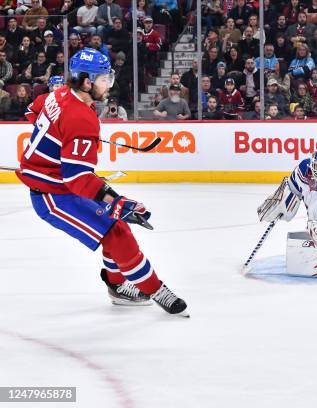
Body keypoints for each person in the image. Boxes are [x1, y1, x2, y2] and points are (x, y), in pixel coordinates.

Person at [16, 48, 188, 315]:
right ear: (86, 81)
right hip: (53, 194)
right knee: (117, 232)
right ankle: (155, 289)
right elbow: (77, 179)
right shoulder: (81, 118)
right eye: (104, 78)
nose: (109, 82)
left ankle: (117, 285)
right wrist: (117, 200)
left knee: (115, 227)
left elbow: (32, 111)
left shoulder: (58, 93)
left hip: (59, 183)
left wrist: (59, 136)